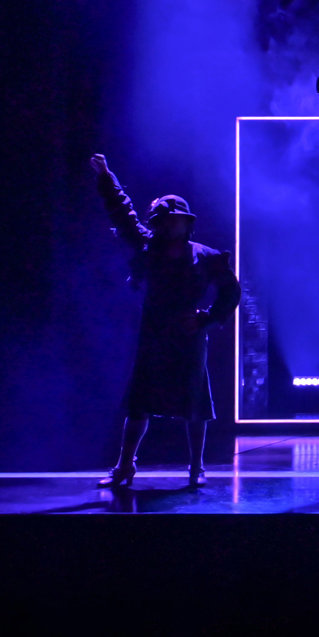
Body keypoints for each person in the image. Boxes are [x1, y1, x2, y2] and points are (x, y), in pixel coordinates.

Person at [89, 154, 241, 489]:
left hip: (189, 334)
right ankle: (125, 466)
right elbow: (122, 212)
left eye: (177, 219)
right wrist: (106, 177)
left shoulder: (208, 256)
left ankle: (196, 467)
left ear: (187, 223)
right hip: (155, 332)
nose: (171, 224)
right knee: (139, 402)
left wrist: (208, 318)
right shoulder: (147, 247)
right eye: (166, 219)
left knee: (195, 403)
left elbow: (231, 292)